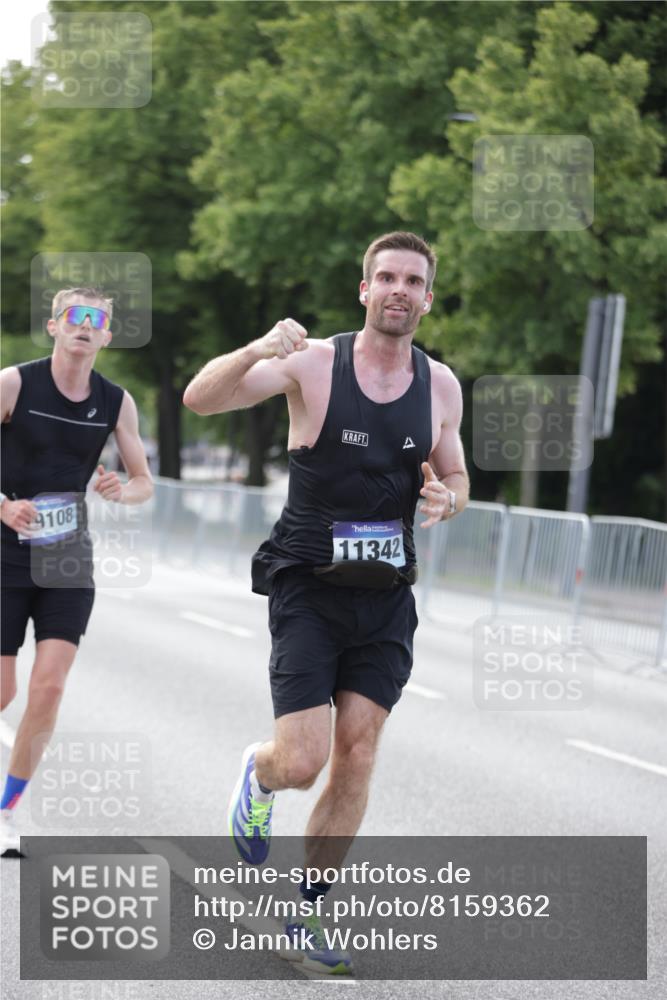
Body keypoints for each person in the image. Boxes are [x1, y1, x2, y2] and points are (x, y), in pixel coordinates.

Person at [183, 231, 469, 974]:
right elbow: (199, 399)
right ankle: (261, 772)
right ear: (365, 290)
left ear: (427, 298)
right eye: (387, 277)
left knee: (359, 750)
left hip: (387, 595)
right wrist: (255, 348)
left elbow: (456, 474)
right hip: (308, 585)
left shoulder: (440, 386)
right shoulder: (313, 363)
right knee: (303, 760)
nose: (399, 289)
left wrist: (448, 497)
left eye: (413, 280)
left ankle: (307, 909)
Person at [0, 287, 153, 857]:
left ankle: (6, 811)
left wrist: (120, 490)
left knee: (50, 687)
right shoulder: (14, 384)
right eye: (75, 317)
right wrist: (3, 506)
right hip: (4, 551)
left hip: (65, 556)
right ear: (54, 326)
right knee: (3, 690)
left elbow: (143, 483)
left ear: (107, 335)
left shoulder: (116, 402)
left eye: (97, 320)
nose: (85, 326)